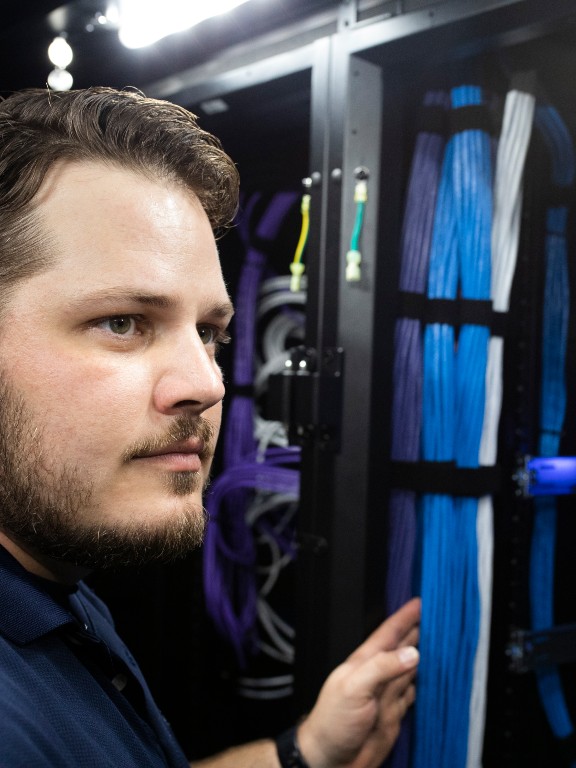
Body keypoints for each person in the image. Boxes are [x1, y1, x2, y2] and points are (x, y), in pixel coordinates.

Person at [0, 86, 420, 768]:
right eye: (123, 322)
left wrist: (303, 753)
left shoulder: (56, 597)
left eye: (208, 332)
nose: (207, 383)